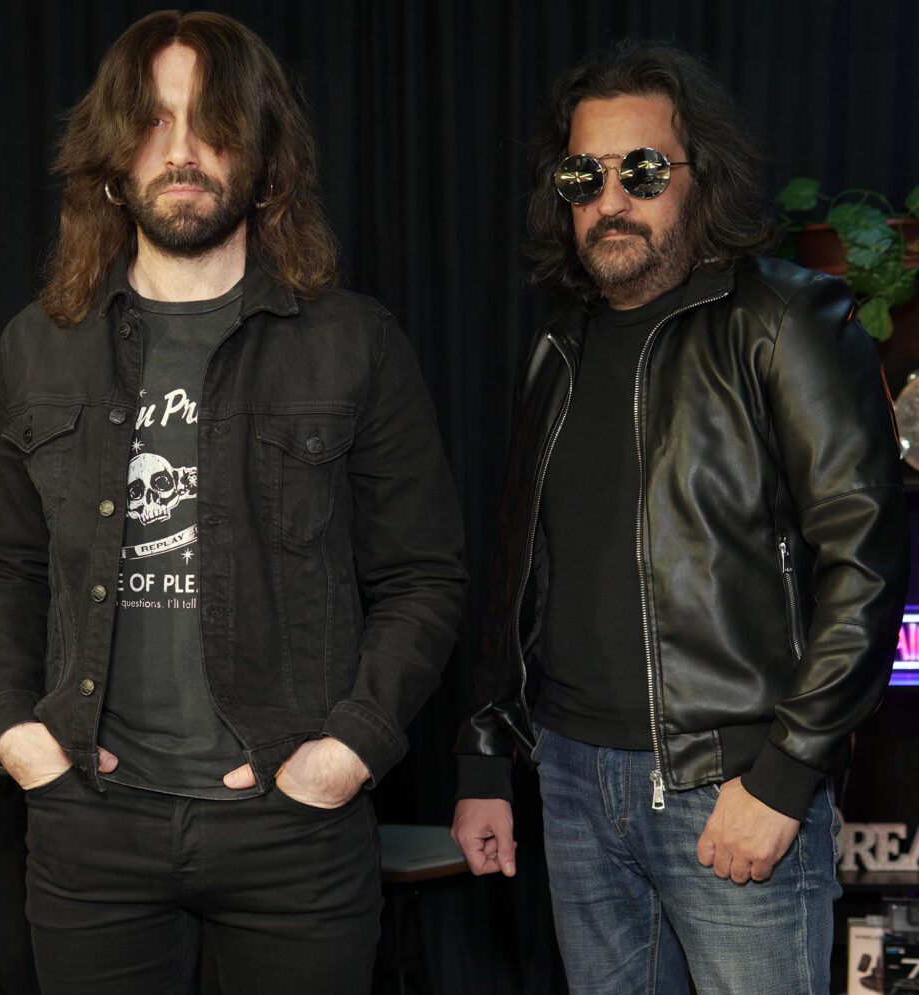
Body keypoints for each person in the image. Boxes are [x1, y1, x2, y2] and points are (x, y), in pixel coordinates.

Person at [0, 10, 466, 994]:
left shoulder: (354, 343)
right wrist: (16, 734)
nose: (182, 152)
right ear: (112, 160)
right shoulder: (37, 346)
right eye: (154, 122)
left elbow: (423, 576)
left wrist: (349, 750)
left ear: (265, 154)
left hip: (295, 827)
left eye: (214, 122)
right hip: (91, 823)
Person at [450, 40, 909, 993]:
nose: (612, 198)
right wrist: (486, 759)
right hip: (572, 785)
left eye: (644, 170)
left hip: (731, 786)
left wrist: (785, 774)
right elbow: (518, 568)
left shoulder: (786, 319)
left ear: (703, 178)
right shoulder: (556, 348)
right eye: (585, 176)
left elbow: (864, 563)